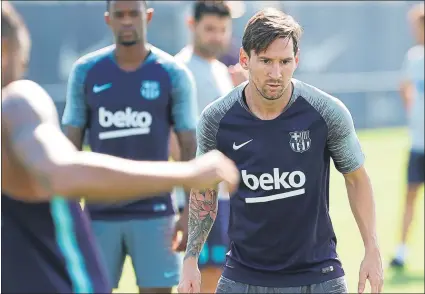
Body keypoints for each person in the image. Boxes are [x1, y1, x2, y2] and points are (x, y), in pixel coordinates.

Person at [1, 1, 240, 293]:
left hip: (155, 215)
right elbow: (60, 170)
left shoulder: (172, 72)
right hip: (79, 244)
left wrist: (185, 206)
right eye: (23, 57)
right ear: (4, 51)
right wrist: (187, 173)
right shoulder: (17, 101)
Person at [178, 8, 384, 294]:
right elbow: (204, 191)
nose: (276, 73)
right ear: (244, 60)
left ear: (296, 61)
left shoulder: (326, 112)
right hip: (243, 277)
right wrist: (190, 259)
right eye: (266, 61)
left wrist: (372, 249)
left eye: (285, 62)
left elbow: (356, 178)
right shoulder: (217, 118)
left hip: (319, 275)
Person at [61, 1, 201, 293]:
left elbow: (189, 150)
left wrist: (189, 214)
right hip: (98, 216)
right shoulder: (86, 71)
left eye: (133, 14)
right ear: (107, 19)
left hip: (155, 213)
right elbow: (68, 151)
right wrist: (70, 216)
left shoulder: (172, 73)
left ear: (147, 16)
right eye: (119, 15)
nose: (127, 21)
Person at [173, 2, 237, 293]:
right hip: (192, 197)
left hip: (221, 197)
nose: (217, 36)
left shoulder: (222, 71)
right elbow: (172, 139)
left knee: (217, 273)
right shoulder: (179, 69)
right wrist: (187, 192)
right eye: (209, 29)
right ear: (191, 25)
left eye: (222, 30)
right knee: (193, 277)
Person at [390, 3, 424, 269]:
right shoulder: (414, 57)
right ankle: (401, 251)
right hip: (418, 143)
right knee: (410, 194)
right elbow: (404, 86)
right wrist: (413, 111)